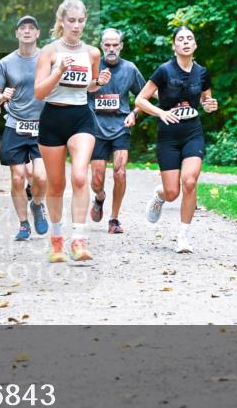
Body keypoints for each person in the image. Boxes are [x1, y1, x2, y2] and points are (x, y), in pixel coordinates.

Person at [34, 0, 111, 262]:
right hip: (53, 118)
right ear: (62, 21)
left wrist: (99, 82)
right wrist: (58, 71)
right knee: (56, 184)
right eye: (71, 21)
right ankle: (56, 242)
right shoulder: (49, 51)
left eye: (80, 21)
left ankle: (78, 239)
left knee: (80, 176)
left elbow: (89, 86)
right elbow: (39, 92)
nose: (76, 26)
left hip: (81, 118)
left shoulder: (92, 53)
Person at [135, 26, 218, 253]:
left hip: (192, 132)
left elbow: (206, 100)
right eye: (181, 39)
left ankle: (183, 237)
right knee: (172, 193)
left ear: (195, 45)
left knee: (189, 182)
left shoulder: (202, 73)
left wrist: (209, 105)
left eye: (190, 38)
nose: (186, 42)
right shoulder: (164, 71)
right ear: (174, 46)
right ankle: (160, 195)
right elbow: (141, 100)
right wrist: (160, 113)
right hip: (168, 135)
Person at [0, 15, 49, 240]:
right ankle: (24, 224)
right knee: (17, 178)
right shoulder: (5, 63)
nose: (26, 31)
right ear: (16, 33)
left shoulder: (48, 59)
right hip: (15, 124)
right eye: (22, 28)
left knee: (40, 177)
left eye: (31, 28)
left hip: (43, 126)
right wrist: (1, 96)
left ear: (37, 33)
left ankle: (37, 205)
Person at [88, 28, 146, 234]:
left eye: (115, 45)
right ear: (101, 46)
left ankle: (114, 219)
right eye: (107, 45)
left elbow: (144, 96)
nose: (111, 49)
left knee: (120, 172)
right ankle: (99, 197)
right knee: (97, 181)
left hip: (121, 126)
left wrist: (134, 113)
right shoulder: (92, 66)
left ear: (121, 46)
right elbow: (78, 91)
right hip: (96, 127)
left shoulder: (130, 69)